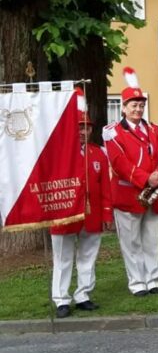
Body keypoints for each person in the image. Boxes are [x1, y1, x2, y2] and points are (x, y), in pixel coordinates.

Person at [103, 67, 158, 297]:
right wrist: (146, 178)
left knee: (151, 240)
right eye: (133, 104)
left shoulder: (155, 130)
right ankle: (137, 283)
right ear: (123, 107)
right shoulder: (112, 132)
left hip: (153, 195)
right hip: (128, 195)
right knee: (131, 243)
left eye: (141, 104)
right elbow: (118, 163)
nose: (138, 108)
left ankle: (153, 280)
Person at [50, 89, 112, 318]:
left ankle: (83, 294)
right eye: (78, 127)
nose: (83, 131)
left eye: (86, 127)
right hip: (64, 216)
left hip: (92, 215)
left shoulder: (98, 154)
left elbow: (106, 186)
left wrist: (107, 214)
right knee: (63, 259)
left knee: (88, 257)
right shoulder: (57, 155)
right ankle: (61, 299)